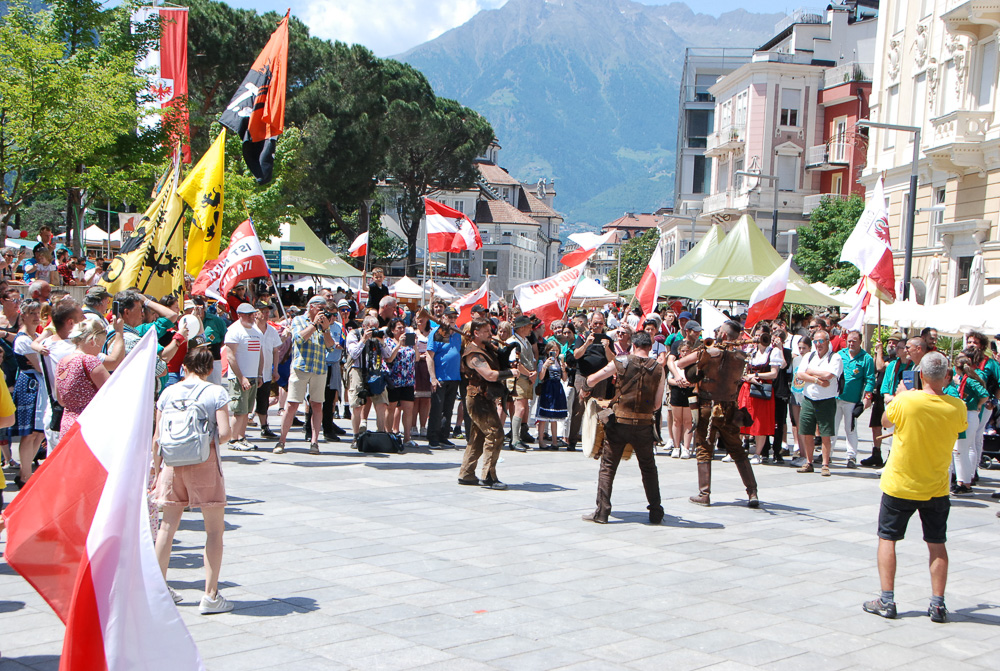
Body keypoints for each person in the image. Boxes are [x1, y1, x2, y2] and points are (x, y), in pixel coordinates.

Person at [863, 352, 967, 623]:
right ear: (947, 376)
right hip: (936, 486)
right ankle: (938, 604)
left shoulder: (906, 400)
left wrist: (900, 395)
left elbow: (885, 422)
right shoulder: (957, 406)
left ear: (920, 375)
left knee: (888, 538)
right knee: (937, 543)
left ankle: (887, 600)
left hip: (901, 483)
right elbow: (959, 428)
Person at [153, 343, 234, 614]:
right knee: (214, 530)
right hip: (204, 462)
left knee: (167, 528)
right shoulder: (215, 392)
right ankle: (210, 595)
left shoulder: (167, 392)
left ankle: (159, 589)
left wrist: (157, 472)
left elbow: (157, 438)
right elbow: (225, 433)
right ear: (209, 369)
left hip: (172, 464)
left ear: (184, 367)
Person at [581, 330, 665, 525]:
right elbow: (657, 405)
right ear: (650, 347)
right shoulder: (659, 369)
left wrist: (585, 389)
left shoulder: (621, 361)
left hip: (619, 423)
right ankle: (655, 512)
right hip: (644, 425)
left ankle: (602, 512)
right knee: (649, 468)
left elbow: (592, 379)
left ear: (633, 345)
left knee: (608, 467)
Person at [675, 320, 760, 508]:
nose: (716, 334)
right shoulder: (741, 356)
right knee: (737, 449)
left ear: (723, 335)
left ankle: (704, 494)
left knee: (704, 449)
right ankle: (752, 492)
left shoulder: (708, 352)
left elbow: (681, 363)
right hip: (729, 406)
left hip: (707, 405)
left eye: (719, 331)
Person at [275, 295, 335, 455]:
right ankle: (281, 440)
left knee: (317, 405)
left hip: (319, 369)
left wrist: (326, 329)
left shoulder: (325, 324)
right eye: (321, 308)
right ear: (312, 307)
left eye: (325, 309)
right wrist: (314, 324)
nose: (323, 312)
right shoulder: (298, 320)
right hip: (301, 368)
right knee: (292, 405)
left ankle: (315, 442)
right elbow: (299, 339)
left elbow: (331, 347)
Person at [458, 318, 513, 489]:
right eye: (486, 331)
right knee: (495, 434)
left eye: (490, 330)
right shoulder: (473, 354)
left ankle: (466, 473)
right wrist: (510, 373)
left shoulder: (487, 348)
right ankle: (488, 475)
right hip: (477, 399)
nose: (491, 334)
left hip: (485, 397)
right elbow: (489, 375)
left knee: (478, 437)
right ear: (476, 333)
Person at [794, 329, 843, 476]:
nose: (818, 344)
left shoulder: (835, 357)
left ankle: (825, 464)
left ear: (827, 341)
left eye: (821, 341)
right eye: (815, 341)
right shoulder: (809, 356)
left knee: (825, 434)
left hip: (826, 400)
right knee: (807, 432)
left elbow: (829, 375)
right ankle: (809, 462)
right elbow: (800, 374)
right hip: (809, 399)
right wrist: (817, 380)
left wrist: (810, 371)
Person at [56, 319, 115, 435]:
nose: (100, 350)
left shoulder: (62, 362)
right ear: (93, 341)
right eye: (101, 345)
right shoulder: (89, 361)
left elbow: (61, 400)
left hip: (67, 426)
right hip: (89, 425)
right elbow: (112, 393)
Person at [567, 312, 614, 450]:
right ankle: (572, 440)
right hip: (583, 376)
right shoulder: (582, 337)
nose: (597, 326)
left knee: (599, 409)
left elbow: (612, 360)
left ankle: (597, 441)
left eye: (600, 323)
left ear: (604, 324)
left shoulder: (607, 339)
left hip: (600, 378)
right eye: (595, 323)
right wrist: (587, 344)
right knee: (578, 408)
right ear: (590, 323)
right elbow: (576, 355)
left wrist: (606, 348)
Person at [832, 330, 876, 469]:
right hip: (836, 397)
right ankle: (827, 454)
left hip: (852, 400)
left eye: (854, 341)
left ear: (860, 342)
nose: (851, 343)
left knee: (850, 429)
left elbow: (870, 379)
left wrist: (867, 397)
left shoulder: (866, 358)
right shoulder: (840, 355)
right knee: (832, 427)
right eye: (849, 341)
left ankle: (851, 456)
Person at [740, 325, 783, 465]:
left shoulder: (773, 352)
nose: (758, 338)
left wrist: (756, 375)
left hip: (762, 390)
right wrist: (748, 377)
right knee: (742, 418)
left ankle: (757, 454)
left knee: (760, 422)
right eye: (757, 335)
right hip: (748, 388)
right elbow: (744, 371)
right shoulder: (751, 351)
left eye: (761, 335)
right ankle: (738, 451)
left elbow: (774, 373)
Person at [224, 304, 264, 451]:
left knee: (247, 410)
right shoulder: (234, 331)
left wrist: (259, 374)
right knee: (239, 410)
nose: (251, 317)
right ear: (239, 315)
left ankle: (241, 437)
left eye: (252, 314)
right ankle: (233, 439)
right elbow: (230, 356)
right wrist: (241, 377)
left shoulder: (256, 331)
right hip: (239, 377)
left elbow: (260, 354)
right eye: (247, 315)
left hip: (253, 376)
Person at [950, 353, 989, 495]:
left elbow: (984, 394)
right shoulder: (963, 379)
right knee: (963, 449)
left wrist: (978, 404)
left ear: (957, 368)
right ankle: (964, 480)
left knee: (961, 450)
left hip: (970, 413)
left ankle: (965, 482)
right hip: (966, 414)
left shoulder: (970, 380)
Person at [426, 307, 463, 448]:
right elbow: (430, 356)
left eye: (454, 317)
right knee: (437, 409)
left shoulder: (458, 333)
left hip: (454, 376)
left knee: (448, 409)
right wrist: (433, 378)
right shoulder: (439, 332)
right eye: (449, 317)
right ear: (443, 317)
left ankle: (443, 435)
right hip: (440, 376)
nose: (452, 319)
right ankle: (433, 437)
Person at [865, 331, 903, 467]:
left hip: (891, 398)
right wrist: (877, 353)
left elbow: (881, 366)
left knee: (890, 428)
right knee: (876, 425)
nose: (891, 345)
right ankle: (876, 453)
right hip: (879, 396)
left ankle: (891, 455)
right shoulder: (886, 357)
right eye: (890, 342)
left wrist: (880, 351)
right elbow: (876, 366)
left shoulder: (896, 361)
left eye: (895, 343)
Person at [506, 315, 539, 451]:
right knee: (519, 408)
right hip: (518, 379)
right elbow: (515, 363)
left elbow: (530, 360)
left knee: (524, 408)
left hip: (526, 379)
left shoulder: (525, 341)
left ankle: (519, 436)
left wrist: (533, 373)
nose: (531, 329)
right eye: (529, 326)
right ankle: (514, 439)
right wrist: (530, 373)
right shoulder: (513, 342)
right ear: (522, 328)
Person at [383, 317, 417, 449]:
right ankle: (389, 434)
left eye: (403, 327)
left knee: (408, 409)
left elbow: (417, 358)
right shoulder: (388, 342)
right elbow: (389, 358)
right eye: (399, 328)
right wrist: (399, 345)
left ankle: (407, 438)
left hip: (408, 380)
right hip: (394, 380)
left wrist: (414, 344)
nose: (402, 330)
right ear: (392, 330)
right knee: (391, 408)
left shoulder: (409, 343)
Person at [535, 341, 568, 450]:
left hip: (557, 388)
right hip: (547, 388)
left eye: (557, 350)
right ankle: (541, 441)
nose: (555, 352)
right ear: (547, 351)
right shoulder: (543, 361)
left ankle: (554, 442)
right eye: (552, 350)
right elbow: (541, 377)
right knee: (543, 417)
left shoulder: (559, 362)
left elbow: (564, 379)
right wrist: (545, 366)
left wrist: (564, 369)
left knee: (554, 417)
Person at [667, 340, 695, 460]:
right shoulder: (675, 364)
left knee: (688, 421)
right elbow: (670, 379)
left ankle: (686, 448)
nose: (684, 353)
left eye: (687, 351)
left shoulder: (694, 366)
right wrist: (678, 382)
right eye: (682, 351)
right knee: (677, 421)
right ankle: (676, 447)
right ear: (679, 352)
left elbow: (698, 380)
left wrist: (690, 383)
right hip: (677, 392)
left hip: (689, 392)